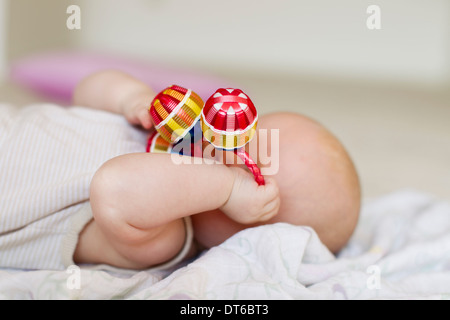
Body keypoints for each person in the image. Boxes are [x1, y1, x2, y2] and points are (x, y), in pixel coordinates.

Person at [0, 70, 361, 271]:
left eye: (249, 170)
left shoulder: (164, 236)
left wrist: (224, 187)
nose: (225, 144)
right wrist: (132, 98)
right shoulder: (162, 132)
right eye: (250, 131)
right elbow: (86, 89)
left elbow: (114, 188)